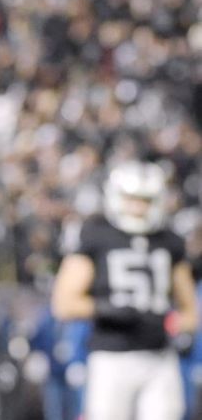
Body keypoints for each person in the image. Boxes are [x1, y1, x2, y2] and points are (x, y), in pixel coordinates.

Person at [51, 161, 199, 420]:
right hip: (111, 357)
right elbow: (64, 303)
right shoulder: (96, 234)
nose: (138, 208)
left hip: (159, 356)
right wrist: (106, 309)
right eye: (132, 199)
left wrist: (172, 323)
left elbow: (190, 312)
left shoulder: (170, 241)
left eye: (145, 200)